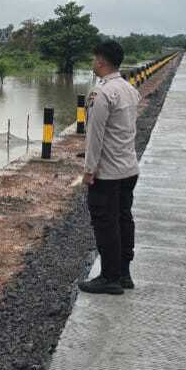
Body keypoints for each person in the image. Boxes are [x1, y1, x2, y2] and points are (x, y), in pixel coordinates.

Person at [78, 40, 140, 295]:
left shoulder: (101, 93)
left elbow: (95, 135)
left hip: (108, 172)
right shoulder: (129, 89)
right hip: (128, 168)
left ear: (101, 61)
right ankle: (124, 272)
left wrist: (89, 170)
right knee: (124, 219)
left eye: (94, 59)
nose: (93, 63)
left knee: (106, 223)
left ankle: (109, 276)